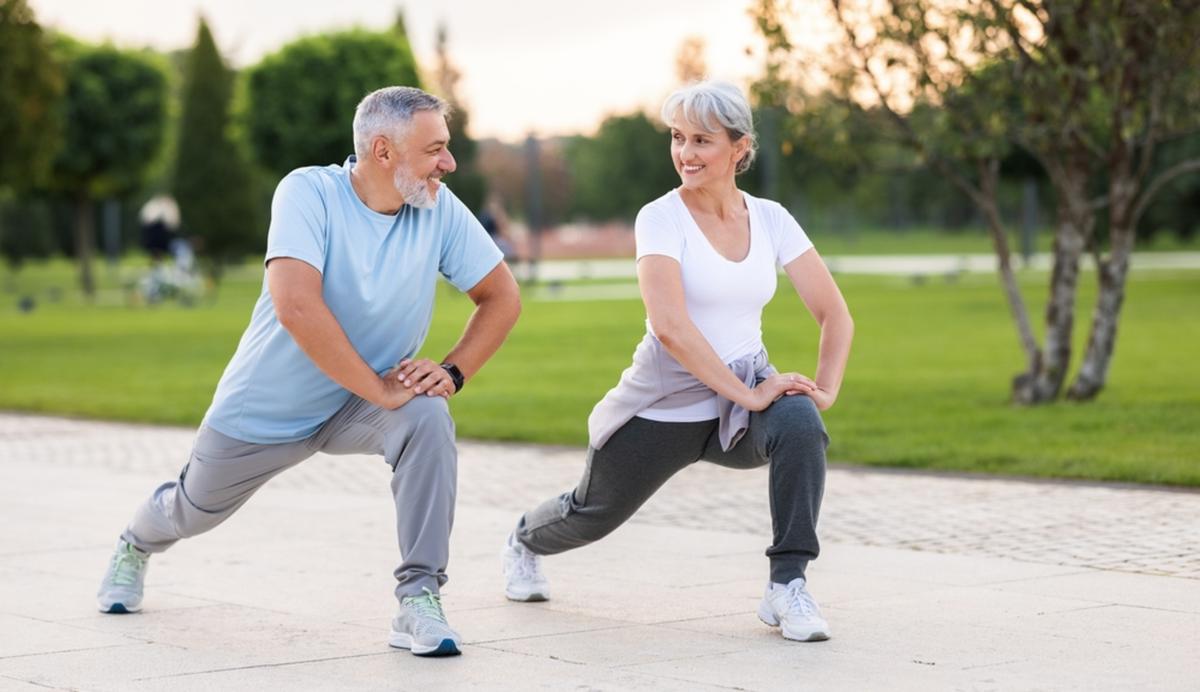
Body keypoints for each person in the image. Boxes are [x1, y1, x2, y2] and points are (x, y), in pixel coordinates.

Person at [96, 86, 521, 657]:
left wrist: (451, 371)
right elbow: (297, 305)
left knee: (427, 418)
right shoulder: (307, 193)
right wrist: (377, 387)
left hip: (362, 407)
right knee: (191, 510)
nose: (448, 163)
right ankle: (134, 543)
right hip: (269, 408)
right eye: (435, 150)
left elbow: (501, 297)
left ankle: (419, 598)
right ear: (383, 152)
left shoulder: (438, 207)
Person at [501, 81, 852, 642]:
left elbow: (835, 314)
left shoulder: (771, 219)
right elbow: (670, 326)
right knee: (591, 513)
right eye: (678, 137)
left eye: (702, 141)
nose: (685, 153)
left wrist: (824, 391)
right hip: (664, 405)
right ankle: (523, 540)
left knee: (801, 423)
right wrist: (752, 394)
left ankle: (787, 586)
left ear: (739, 147)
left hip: (739, 404)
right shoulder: (660, 218)